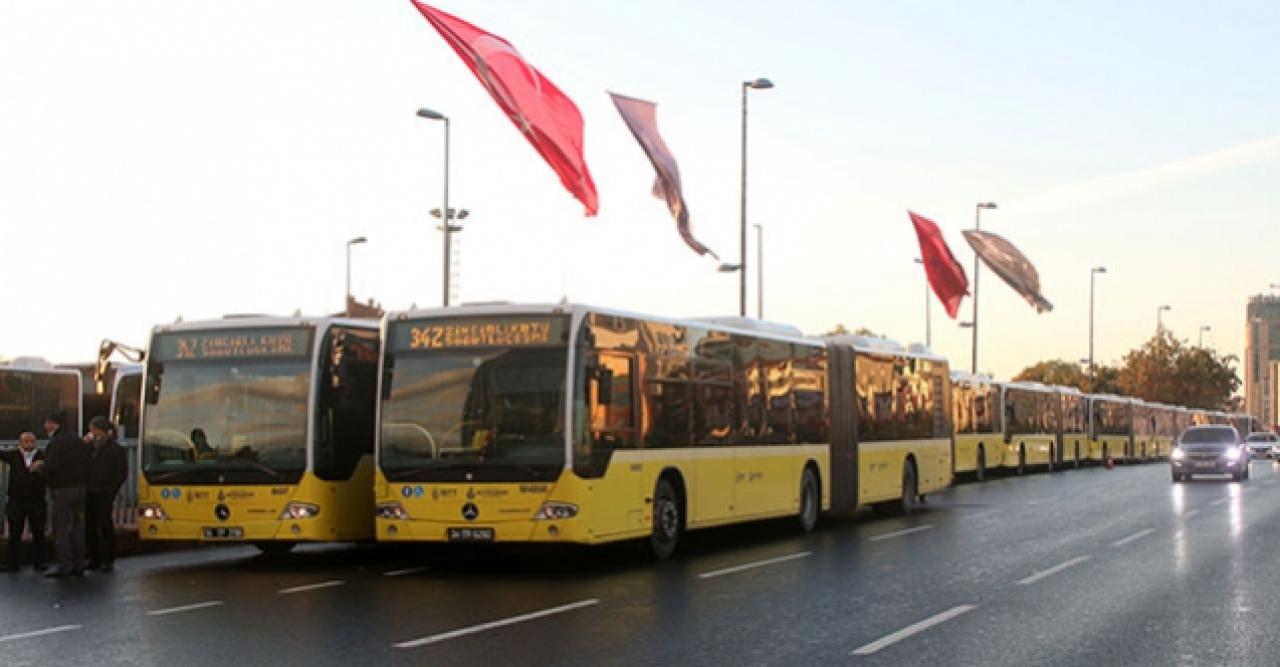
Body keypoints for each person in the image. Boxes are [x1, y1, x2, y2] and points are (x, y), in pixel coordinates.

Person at [36, 412, 91, 578]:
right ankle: (79, 564)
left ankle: (65, 565)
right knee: (78, 527)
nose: (45, 426)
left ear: (54, 424)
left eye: (47, 423)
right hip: (81, 488)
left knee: (62, 529)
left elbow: (51, 467)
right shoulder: (78, 441)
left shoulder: (56, 443)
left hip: (62, 490)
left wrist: (40, 468)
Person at [85, 416, 128, 572]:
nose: (92, 433)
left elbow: (121, 472)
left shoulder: (115, 449)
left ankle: (107, 558)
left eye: (94, 430)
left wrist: (112, 490)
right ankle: (93, 556)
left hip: (104, 491)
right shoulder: (89, 447)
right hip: (89, 490)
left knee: (104, 524)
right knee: (89, 525)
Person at [0, 432, 47, 572]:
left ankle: (40, 562)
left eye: (31, 441)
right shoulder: (14, 455)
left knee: (39, 532)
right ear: (20, 443)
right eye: (26, 441)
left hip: (37, 500)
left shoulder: (42, 456)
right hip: (17, 500)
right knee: (14, 533)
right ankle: (12, 563)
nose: (29, 444)